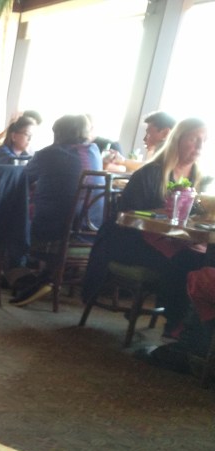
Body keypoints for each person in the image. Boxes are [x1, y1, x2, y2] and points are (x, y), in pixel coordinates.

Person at [82, 117, 208, 337]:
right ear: (178, 139)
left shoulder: (198, 177)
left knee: (206, 260)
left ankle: (198, 327)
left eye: (204, 141)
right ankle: (176, 323)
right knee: (185, 261)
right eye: (194, 139)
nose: (199, 146)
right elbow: (128, 217)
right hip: (130, 240)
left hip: (171, 241)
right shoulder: (150, 173)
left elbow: (196, 217)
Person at [10, 114, 103, 307]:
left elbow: (21, 181)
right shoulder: (94, 151)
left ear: (58, 133)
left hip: (54, 234)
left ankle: (20, 276)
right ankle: (43, 276)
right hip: (92, 233)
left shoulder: (48, 154)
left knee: (12, 220)